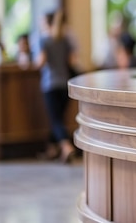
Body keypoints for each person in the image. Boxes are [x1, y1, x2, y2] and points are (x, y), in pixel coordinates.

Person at [35, 9, 78, 163]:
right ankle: (52, 149)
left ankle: (67, 147)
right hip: (66, 84)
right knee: (58, 118)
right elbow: (73, 60)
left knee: (56, 120)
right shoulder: (65, 39)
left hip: (50, 84)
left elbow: (41, 62)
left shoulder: (44, 40)